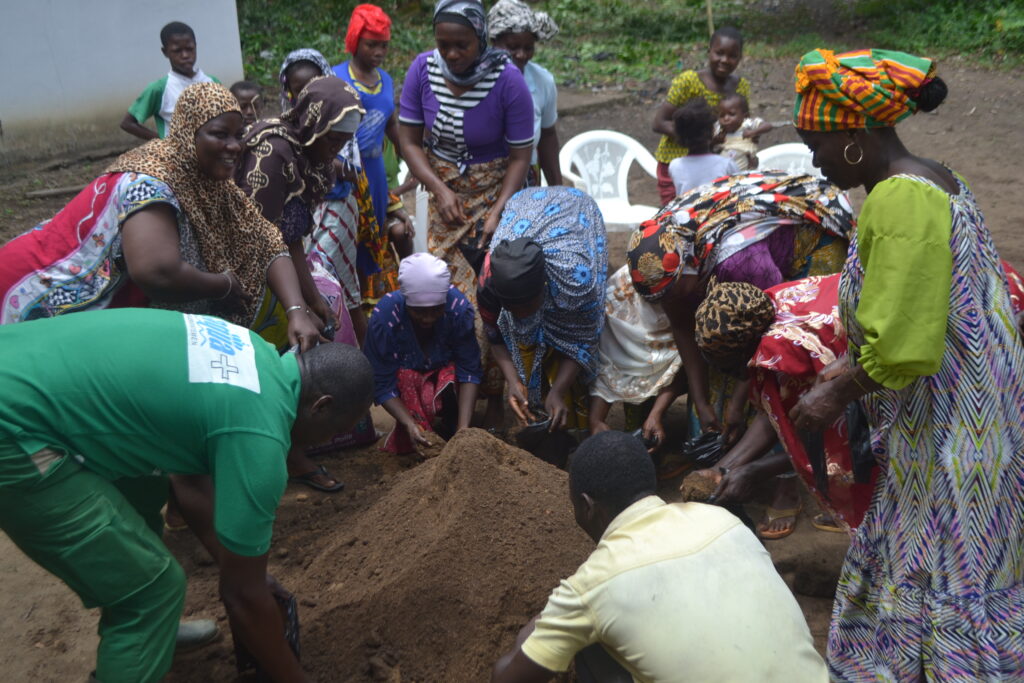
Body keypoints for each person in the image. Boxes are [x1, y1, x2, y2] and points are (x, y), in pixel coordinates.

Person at [786, 48, 1024, 679]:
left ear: (857, 136)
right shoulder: (937, 176)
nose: (815, 159)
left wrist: (834, 395)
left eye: (818, 144)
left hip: (951, 430)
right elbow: (929, 308)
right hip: (977, 417)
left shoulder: (897, 199)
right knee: (958, 558)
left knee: (944, 563)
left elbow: (907, 345)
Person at [0, 307, 373, 683]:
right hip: (14, 426)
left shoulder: (254, 351)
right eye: (336, 428)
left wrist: (242, 571)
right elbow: (242, 598)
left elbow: (189, 480)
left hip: (17, 361)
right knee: (150, 591)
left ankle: (152, 637)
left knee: (143, 491)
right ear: (320, 405)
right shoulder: (259, 437)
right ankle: (145, 622)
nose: (330, 441)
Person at [0, 82, 320, 350]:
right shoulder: (151, 181)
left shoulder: (211, 182)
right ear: (187, 132)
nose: (234, 146)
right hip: (35, 293)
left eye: (238, 135)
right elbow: (157, 271)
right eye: (220, 134)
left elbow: (267, 240)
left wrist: (297, 310)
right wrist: (222, 285)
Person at [491, 430, 826, 683]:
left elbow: (507, 679)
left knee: (592, 645)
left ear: (587, 505)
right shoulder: (726, 522)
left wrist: (530, 635)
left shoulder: (590, 586)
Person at [626, 171, 853, 484]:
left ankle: (792, 478)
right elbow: (682, 327)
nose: (669, 302)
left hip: (811, 244)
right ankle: (729, 464)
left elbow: (772, 339)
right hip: (742, 265)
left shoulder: (739, 263)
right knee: (719, 348)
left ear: (690, 267)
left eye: (673, 294)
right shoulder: (664, 264)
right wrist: (703, 402)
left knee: (795, 367)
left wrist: (737, 405)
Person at [399, 0, 535, 427]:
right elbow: (408, 139)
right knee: (438, 298)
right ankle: (445, 395)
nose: (452, 54)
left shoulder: (508, 81)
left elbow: (520, 157)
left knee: (488, 301)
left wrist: (496, 212)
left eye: (462, 45)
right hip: (443, 200)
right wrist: (439, 189)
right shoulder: (422, 71)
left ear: (480, 38)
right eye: (444, 45)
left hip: (495, 195)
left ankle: (494, 401)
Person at [236, 74, 364, 340]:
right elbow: (259, 241)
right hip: (246, 278)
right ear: (314, 124)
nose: (336, 149)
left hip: (280, 268)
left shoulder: (310, 157)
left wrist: (314, 301)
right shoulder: (272, 153)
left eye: (344, 141)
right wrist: (298, 307)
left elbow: (291, 239)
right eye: (332, 139)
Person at [478, 187, 607, 431]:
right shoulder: (488, 285)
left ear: (545, 287)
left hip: (576, 210)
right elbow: (495, 336)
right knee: (524, 341)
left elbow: (584, 338)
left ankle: (572, 426)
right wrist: (513, 380)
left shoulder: (577, 281)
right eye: (513, 308)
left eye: (528, 305)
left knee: (571, 362)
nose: (523, 314)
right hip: (524, 204)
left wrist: (559, 390)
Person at [364, 253, 482, 454]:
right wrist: (409, 423)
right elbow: (381, 381)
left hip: (446, 380)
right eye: (419, 311)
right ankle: (415, 427)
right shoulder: (386, 316)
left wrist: (464, 430)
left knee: (454, 376)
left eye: (436, 310)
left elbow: (469, 368)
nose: (428, 319)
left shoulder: (457, 309)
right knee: (407, 378)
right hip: (407, 383)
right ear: (406, 301)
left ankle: (454, 422)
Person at [333, 4, 415, 261]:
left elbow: (391, 124)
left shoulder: (386, 80)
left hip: (375, 170)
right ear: (355, 40)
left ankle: (374, 293)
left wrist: (410, 157)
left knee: (376, 229)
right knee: (349, 235)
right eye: (371, 45)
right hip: (344, 173)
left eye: (384, 45)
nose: (379, 52)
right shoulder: (336, 78)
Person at [587, 264, 685, 451]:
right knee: (638, 430)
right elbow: (608, 360)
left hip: (684, 373)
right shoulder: (617, 298)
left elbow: (686, 361)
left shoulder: (685, 291)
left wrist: (657, 413)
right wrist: (596, 420)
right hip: (634, 379)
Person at [651, 26, 748, 206]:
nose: (725, 60)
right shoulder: (688, 81)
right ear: (709, 52)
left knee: (712, 212)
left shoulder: (740, 87)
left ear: (740, 58)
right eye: (719, 53)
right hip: (675, 162)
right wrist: (695, 138)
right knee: (676, 214)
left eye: (732, 56)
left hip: (715, 164)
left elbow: (742, 124)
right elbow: (659, 122)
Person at [488, 0, 563, 187]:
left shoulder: (542, 81)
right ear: (493, 42)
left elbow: (547, 136)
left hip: (526, 180)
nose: (521, 55)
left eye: (528, 48)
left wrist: (558, 189)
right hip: (480, 177)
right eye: (512, 47)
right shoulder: (474, 80)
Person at [121, 22, 219, 140]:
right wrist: (162, 141)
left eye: (189, 49)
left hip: (213, 155)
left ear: (196, 46)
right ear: (165, 52)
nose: (185, 55)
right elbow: (127, 123)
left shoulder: (212, 82)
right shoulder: (160, 89)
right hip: (178, 157)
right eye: (177, 51)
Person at [667, 99, 738, 197]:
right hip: (718, 212)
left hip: (687, 212)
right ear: (712, 131)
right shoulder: (726, 164)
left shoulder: (675, 166)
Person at [713, 93, 773, 171]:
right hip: (724, 168)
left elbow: (768, 126)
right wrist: (715, 140)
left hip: (746, 168)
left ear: (745, 116)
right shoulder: (719, 129)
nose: (726, 118)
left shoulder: (747, 124)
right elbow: (708, 143)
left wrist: (753, 132)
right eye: (722, 115)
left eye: (731, 114)